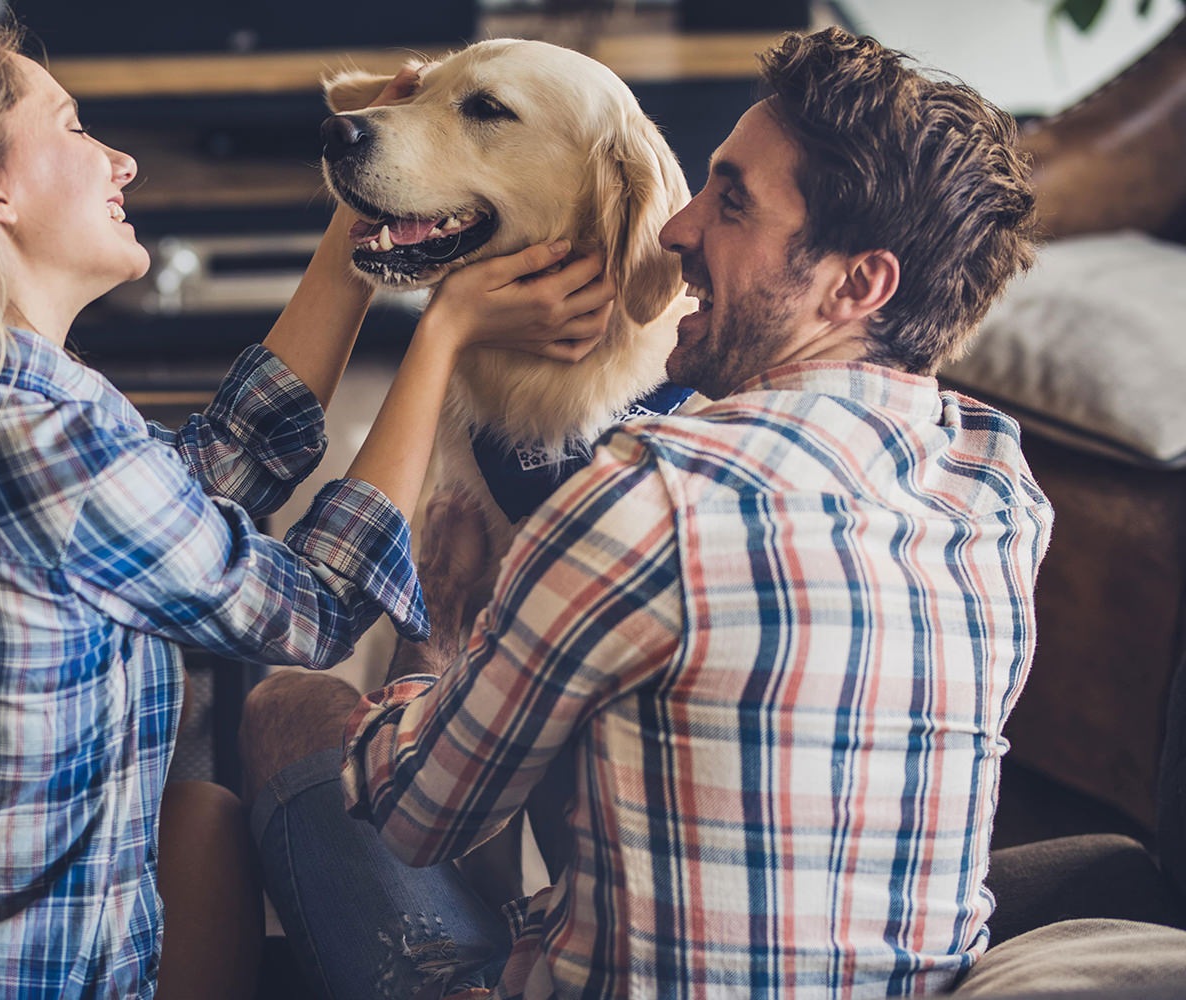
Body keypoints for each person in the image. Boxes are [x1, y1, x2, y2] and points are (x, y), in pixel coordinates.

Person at [0, 22, 618, 1000]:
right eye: (74, 126)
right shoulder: (34, 449)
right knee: (219, 803)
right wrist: (441, 333)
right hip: (4, 984)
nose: (121, 160)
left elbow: (210, 474)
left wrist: (368, 232)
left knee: (201, 819)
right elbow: (309, 609)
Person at [241, 25, 1053, 999]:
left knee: (286, 704)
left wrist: (448, 642)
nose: (675, 227)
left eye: (733, 204)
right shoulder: (1001, 490)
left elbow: (415, 811)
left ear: (858, 284)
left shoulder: (649, 499)